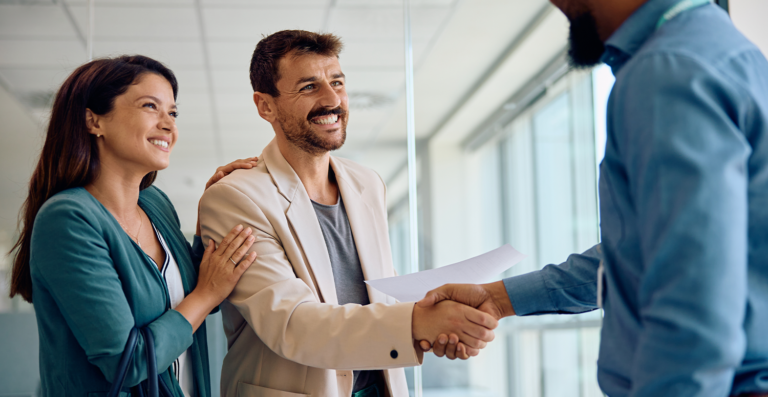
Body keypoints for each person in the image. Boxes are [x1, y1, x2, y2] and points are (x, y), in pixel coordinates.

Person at [418, 0, 768, 396]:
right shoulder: (721, 50)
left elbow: (692, 298)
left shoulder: (666, 72)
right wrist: (496, 299)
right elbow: (646, 255)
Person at [198, 30, 498, 397]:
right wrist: (418, 323)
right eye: (309, 87)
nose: (332, 99)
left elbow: (379, 293)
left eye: (337, 82)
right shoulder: (236, 197)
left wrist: (437, 325)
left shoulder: (366, 183)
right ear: (266, 106)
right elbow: (293, 323)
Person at [8, 55, 260, 397]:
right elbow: (127, 363)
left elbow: (192, 303)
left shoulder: (155, 204)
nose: (168, 124)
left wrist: (210, 215)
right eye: (150, 106)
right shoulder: (68, 218)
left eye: (172, 112)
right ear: (94, 121)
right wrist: (206, 293)